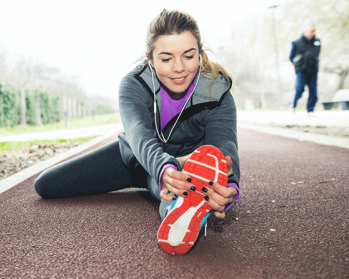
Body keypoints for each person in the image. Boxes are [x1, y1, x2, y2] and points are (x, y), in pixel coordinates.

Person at [34, 9, 240, 255]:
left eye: (188, 56)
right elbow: (139, 136)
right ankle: (171, 184)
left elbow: (224, 145)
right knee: (46, 185)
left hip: (185, 170)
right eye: (166, 59)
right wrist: (164, 167)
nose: (178, 68)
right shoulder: (133, 84)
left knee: (172, 189)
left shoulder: (215, 91)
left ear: (200, 53)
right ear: (150, 59)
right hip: (135, 158)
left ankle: (181, 210)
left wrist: (230, 186)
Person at [290, 25, 321, 116]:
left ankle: (310, 110)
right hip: (301, 70)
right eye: (311, 31)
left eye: (314, 31)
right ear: (306, 31)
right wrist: (298, 66)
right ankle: (294, 104)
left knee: (313, 91)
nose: (313, 33)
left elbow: (317, 54)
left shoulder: (317, 41)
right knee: (300, 89)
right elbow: (291, 57)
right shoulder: (297, 42)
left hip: (313, 70)